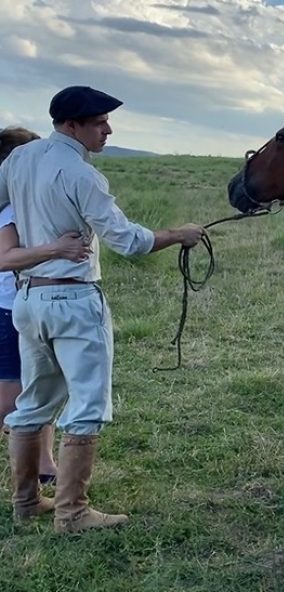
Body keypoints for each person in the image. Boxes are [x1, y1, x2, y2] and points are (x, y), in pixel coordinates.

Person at [0, 86, 205, 532]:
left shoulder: (19, 159)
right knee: (88, 403)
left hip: (29, 296)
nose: (108, 129)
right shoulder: (81, 174)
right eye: (98, 122)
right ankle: (72, 512)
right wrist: (179, 234)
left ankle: (26, 501)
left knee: (33, 401)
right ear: (71, 125)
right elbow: (127, 240)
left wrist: (33, 245)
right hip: (73, 299)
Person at [0, 126, 93, 487]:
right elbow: (5, 259)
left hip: (25, 304)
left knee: (41, 389)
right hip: (8, 309)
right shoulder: (8, 210)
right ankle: (27, 475)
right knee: (12, 397)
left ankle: (43, 465)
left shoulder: (24, 202)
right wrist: (57, 249)